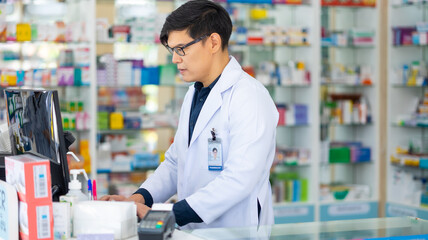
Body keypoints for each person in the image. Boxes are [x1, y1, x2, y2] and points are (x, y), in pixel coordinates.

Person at [100, 0, 279, 229]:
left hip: (232, 231)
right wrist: (138, 199)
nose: (175, 59)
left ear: (213, 42)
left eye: (181, 49)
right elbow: (176, 162)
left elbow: (239, 179)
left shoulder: (249, 97)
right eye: (172, 50)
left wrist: (172, 214)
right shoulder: (194, 93)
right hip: (192, 230)